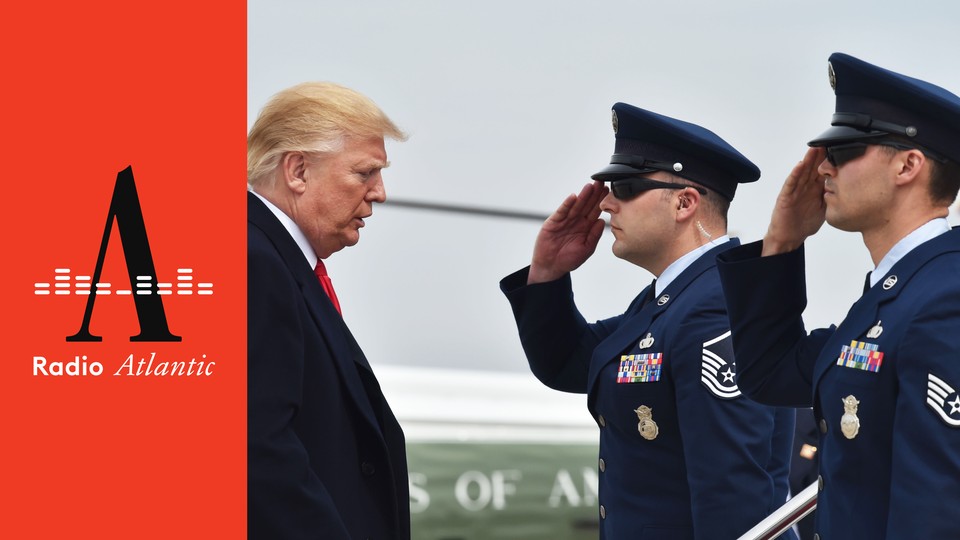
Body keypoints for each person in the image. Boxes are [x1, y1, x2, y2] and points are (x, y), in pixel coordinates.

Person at [500, 102, 797, 539]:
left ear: (684, 202)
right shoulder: (671, 301)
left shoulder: (716, 306)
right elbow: (568, 362)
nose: (605, 203)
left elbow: (732, 494)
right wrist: (548, 274)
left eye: (624, 186)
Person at [716, 53, 960, 539]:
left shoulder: (945, 297)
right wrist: (782, 245)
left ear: (908, 165)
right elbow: (769, 373)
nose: (822, 166)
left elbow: (936, 510)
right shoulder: (896, 293)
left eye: (843, 151)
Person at [246, 82, 410, 539]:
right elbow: (256, 449)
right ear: (297, 170)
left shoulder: (275, 259)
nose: (379, 193)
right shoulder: (253, 262)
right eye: (365, 173)